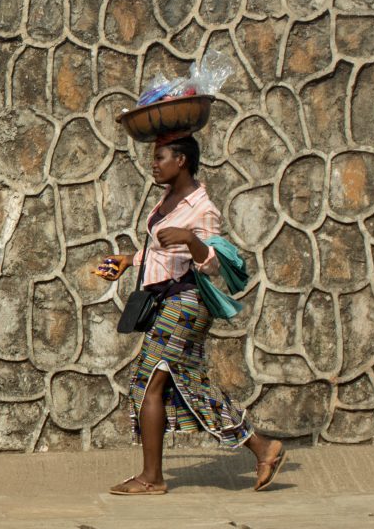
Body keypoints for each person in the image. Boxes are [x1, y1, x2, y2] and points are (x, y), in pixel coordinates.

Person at [95, 134, 286, 496]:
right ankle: (263, 448)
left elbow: (212, 263)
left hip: (185, 304)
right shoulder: (167, 199)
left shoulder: (203, 208)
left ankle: (152, 478)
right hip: (167, 303)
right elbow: (160, 252)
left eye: (160, 157)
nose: (153, 164)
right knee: (192, 387)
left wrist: (190, 238)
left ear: (181, 160)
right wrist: (128, 260)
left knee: (149, 383)